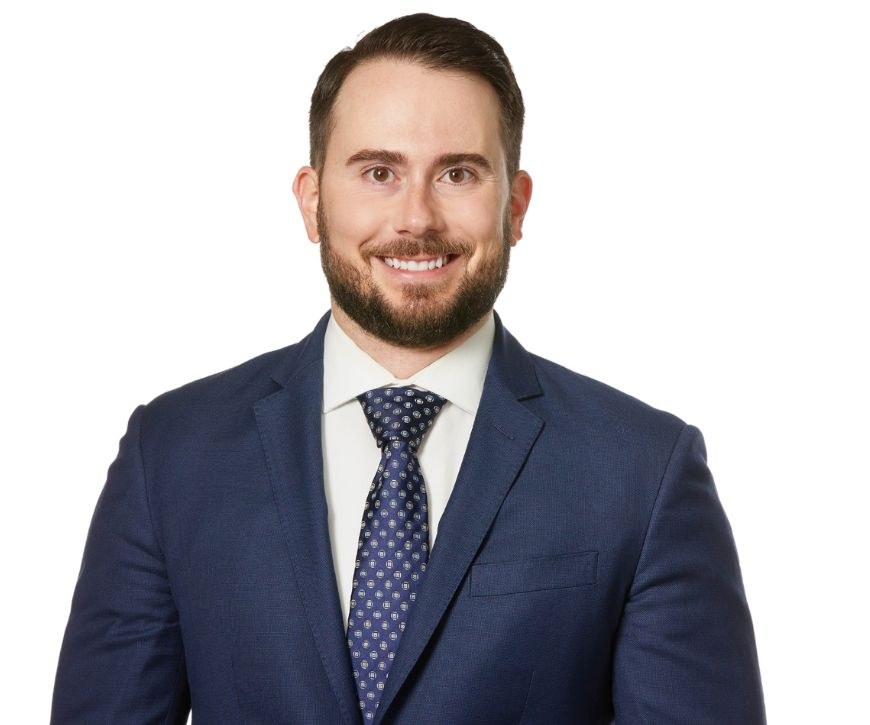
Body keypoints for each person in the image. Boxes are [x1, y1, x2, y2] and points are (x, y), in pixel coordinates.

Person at [51, 12, 765, 724]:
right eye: (379, 172)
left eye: (458, 173)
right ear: (312, 201)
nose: (416, 218)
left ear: (515, 206)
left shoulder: (643, 471)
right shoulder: (170, 454)